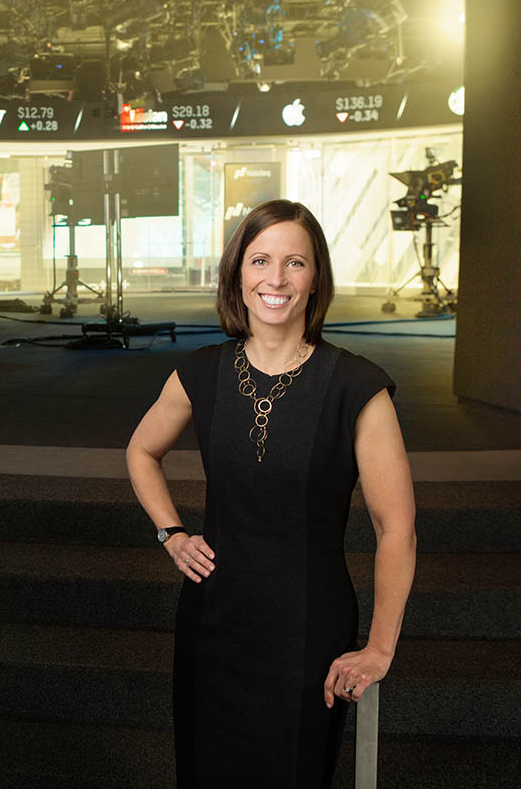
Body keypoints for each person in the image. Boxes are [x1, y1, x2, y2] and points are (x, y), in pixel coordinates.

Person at [125, 199, 417, 788]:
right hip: (215, 624)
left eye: (295, 263)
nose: (276, 279)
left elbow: (396, 531)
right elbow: (140, 451)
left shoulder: (357, 388)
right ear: (238, 274)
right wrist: (171, 534)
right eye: (260, 260)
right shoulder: (200, 373)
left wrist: (380, 648)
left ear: (316, 279)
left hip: (308, 628)